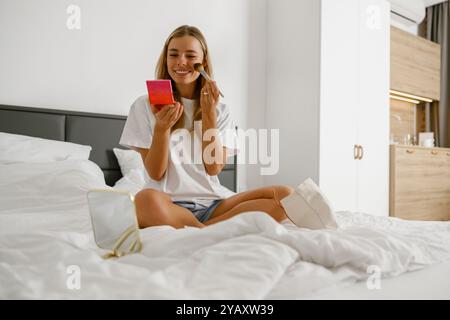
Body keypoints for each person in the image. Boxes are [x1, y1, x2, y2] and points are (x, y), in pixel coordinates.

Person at [119, 25, 294, 229]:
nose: (181, 62)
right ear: (165, 60)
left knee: (287, 196)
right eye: (173, 55)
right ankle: (209, 230)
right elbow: (156, 173)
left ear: (203, 62)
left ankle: (201, 229)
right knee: (143, 201)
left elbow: (213, 168)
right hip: (167, 203)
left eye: (190, 55)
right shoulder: (145, 105)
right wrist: (162, 128)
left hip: (213, 203)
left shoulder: (220, 109)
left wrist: (209, 113)